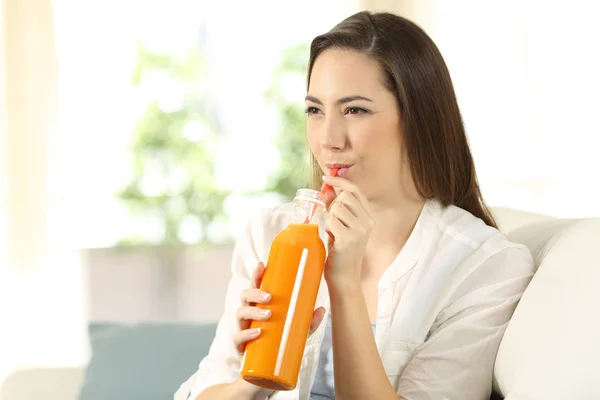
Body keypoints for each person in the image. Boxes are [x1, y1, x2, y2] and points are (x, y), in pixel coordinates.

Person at [175, 10, 534, 400]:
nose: (328, 138)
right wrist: (252, 378)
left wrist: (343, 285)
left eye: (355, 110)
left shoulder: (485, 265)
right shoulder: (270, 234)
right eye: (314, 110)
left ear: (418, 118)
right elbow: (202, 390)